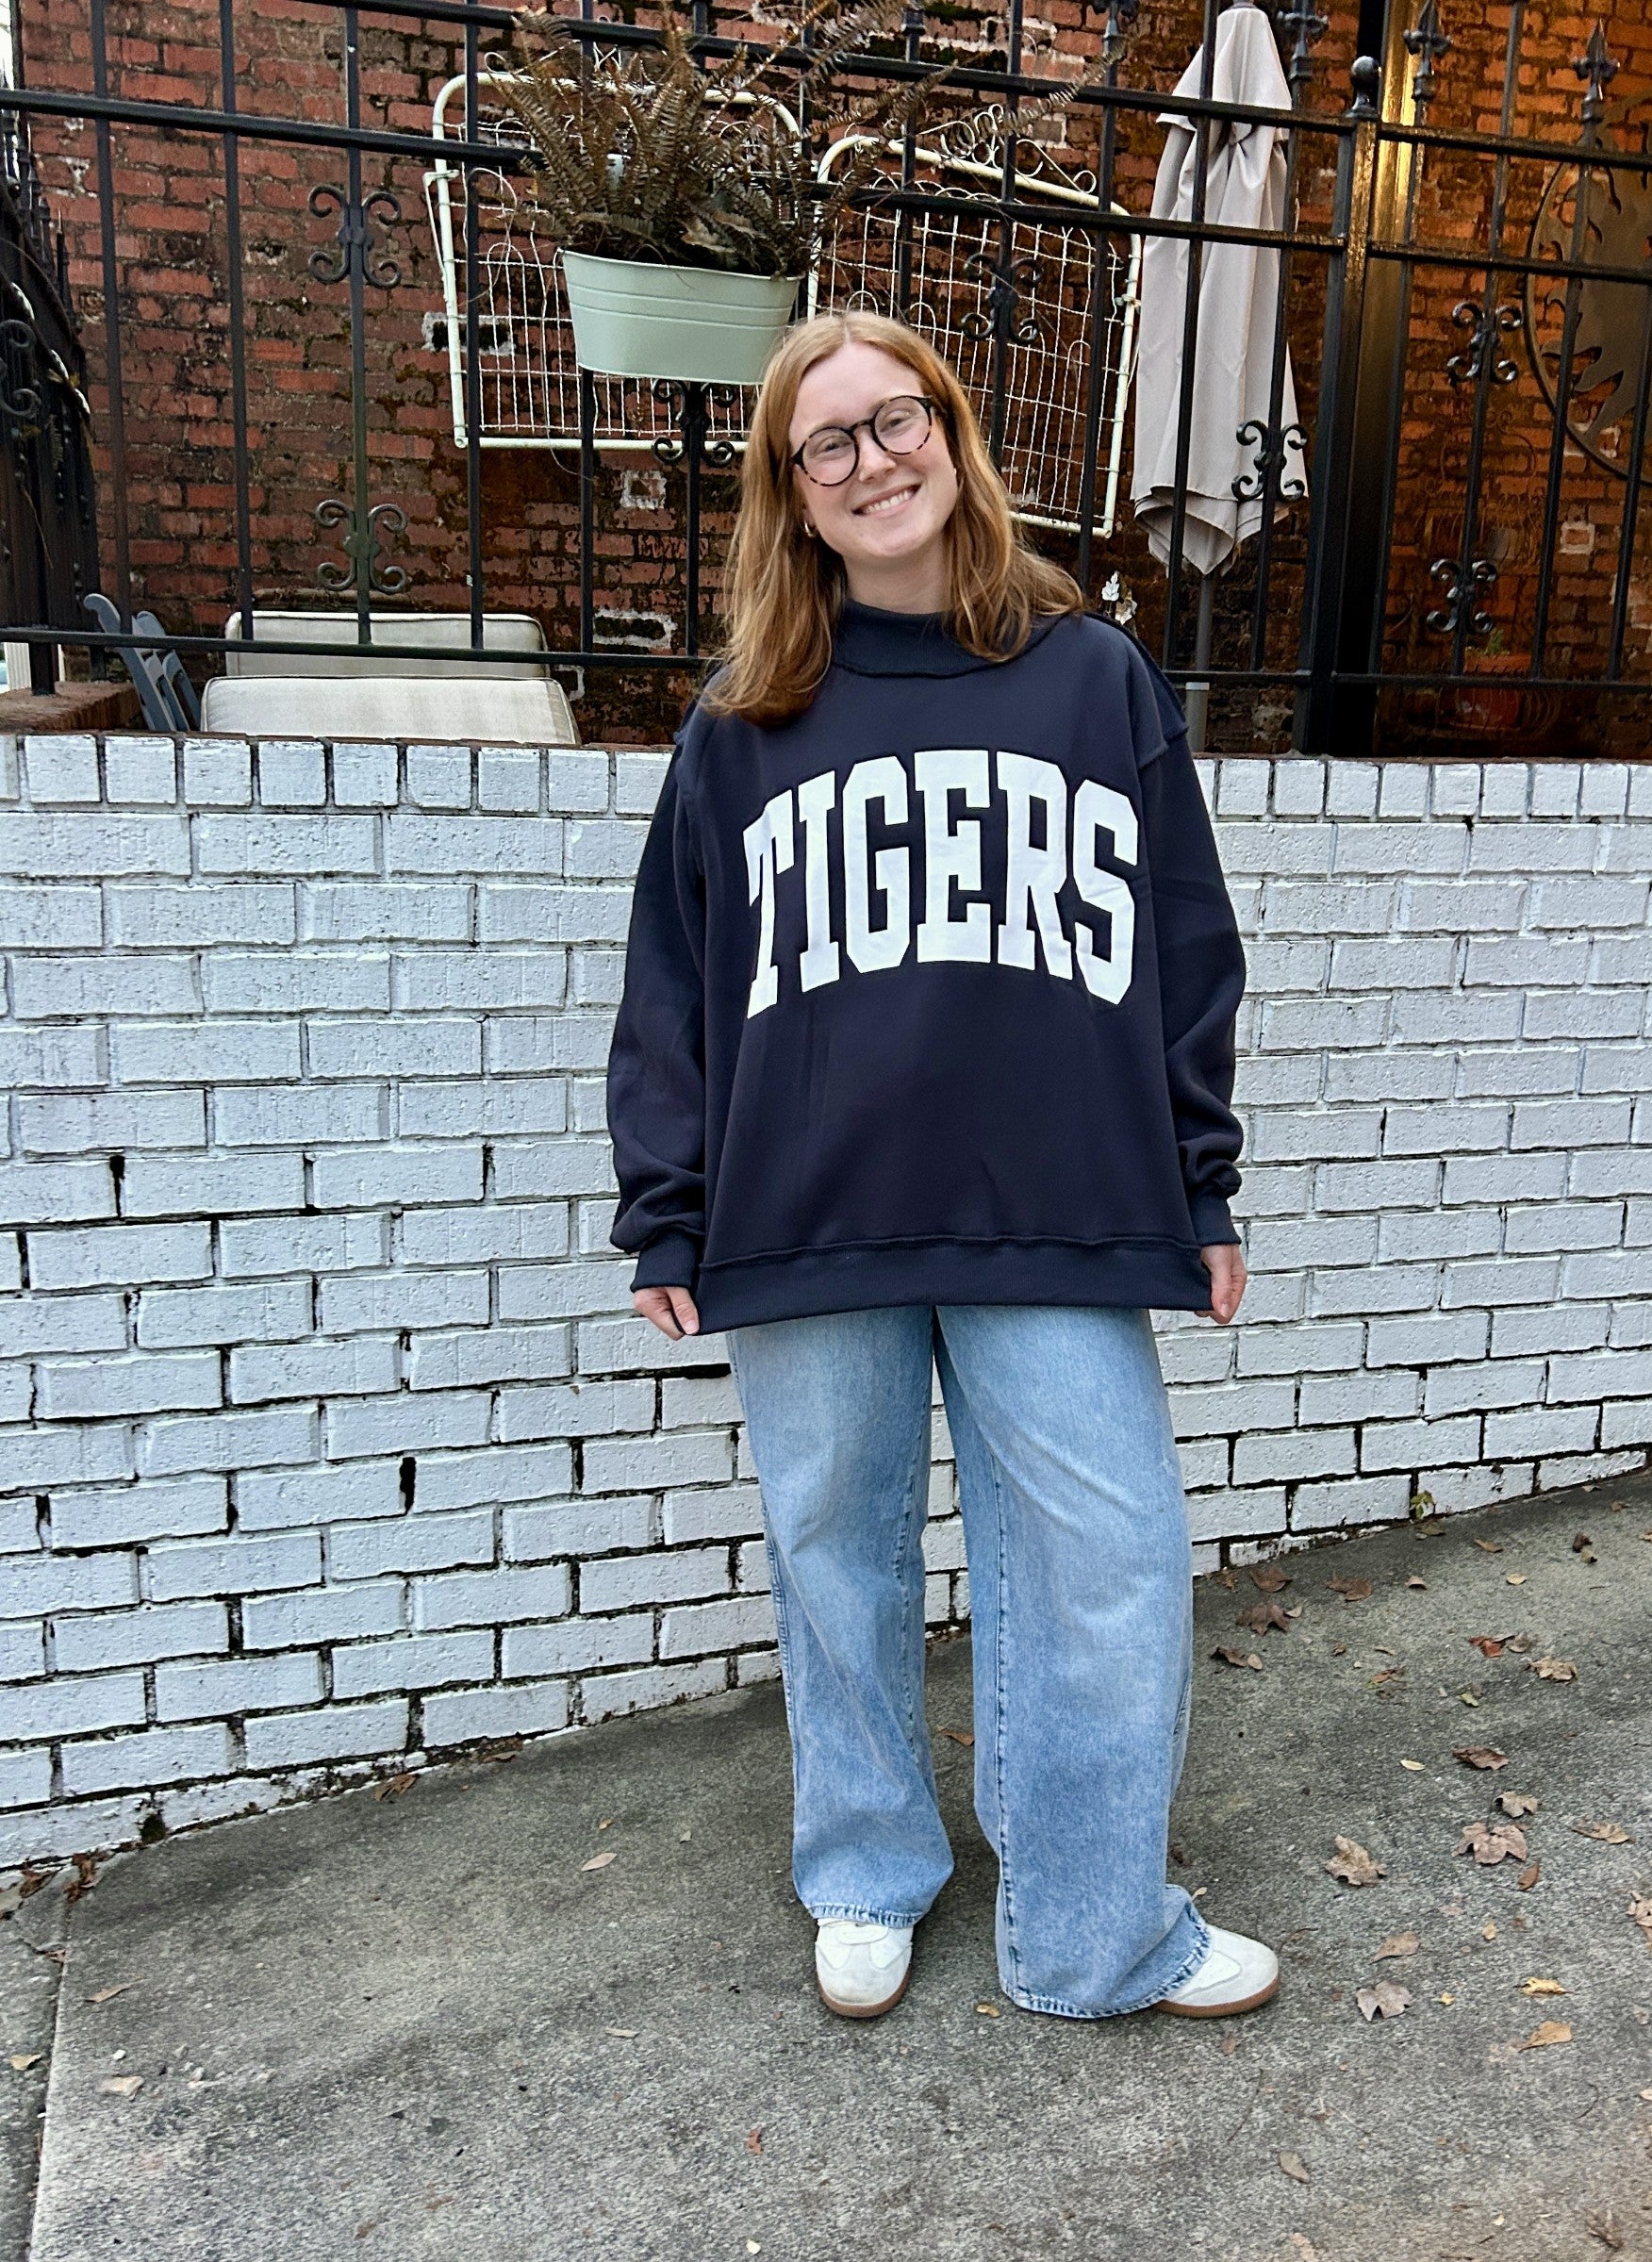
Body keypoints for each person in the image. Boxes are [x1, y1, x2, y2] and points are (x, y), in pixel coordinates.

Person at [605, 309, 1275, 2024]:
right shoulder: (744, 719)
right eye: (826, 445)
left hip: (1061, 1202)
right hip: (802, 1211)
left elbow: (1184, 949)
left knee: (1107, 1561)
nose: (872, 460)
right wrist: (664, 1203)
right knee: (838, 1546)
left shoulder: (1089, 673)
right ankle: (867, 1870)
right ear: (794, 497)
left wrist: (1201, 1186)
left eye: (895, 420)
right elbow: (673, 983)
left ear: (953, 436)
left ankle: (1092, 1930)